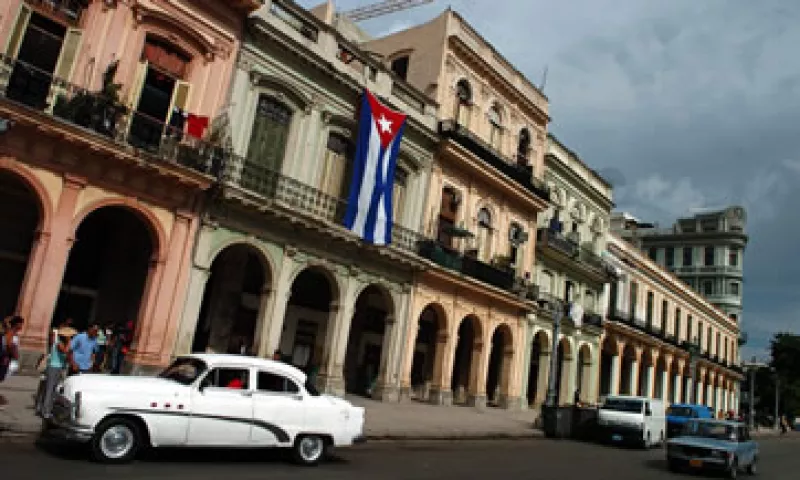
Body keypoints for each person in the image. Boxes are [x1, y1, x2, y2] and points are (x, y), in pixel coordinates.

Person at [36, 326, 76, 419]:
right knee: (49, 390)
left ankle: (44, 408)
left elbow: (67, 356)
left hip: (58, 368)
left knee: (53, 390)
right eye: (69, 337)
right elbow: (65, 351)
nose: (70, 338)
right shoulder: (58, 344)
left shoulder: (62, 344)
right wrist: (69, 342)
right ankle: (45, 411)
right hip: (53, 368)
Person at [0, 316, 25, 408]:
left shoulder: (13, 333)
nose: (22, 326)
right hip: (5, 359)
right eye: (21, 324)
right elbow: (9, 345)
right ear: (17, 324)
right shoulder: (10, 333)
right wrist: (14, 353)